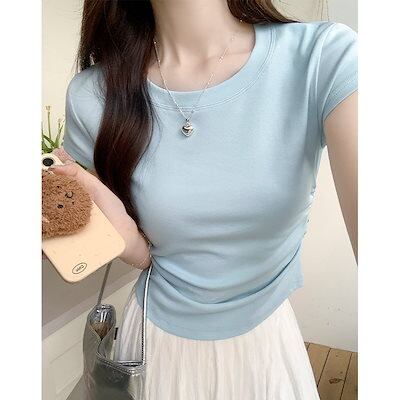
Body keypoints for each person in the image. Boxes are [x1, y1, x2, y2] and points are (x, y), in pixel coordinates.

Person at [50, 0, 357, 399]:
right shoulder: (92, 94)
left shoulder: (322, 57)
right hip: (153, 350)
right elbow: (140, 252)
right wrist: (114, 238)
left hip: (265, 351)